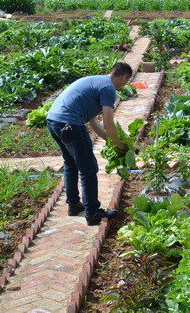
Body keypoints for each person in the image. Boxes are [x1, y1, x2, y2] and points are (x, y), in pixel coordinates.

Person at [46, 61, 133, 225]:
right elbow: (108, 122)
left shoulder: (96, 81)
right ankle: (92, 212)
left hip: (53, 121)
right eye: (127, 81)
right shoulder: (108, 88)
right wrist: (120, 144)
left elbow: (94, 122)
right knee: (88, 168)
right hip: (70, 123)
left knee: (71, 163)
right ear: (124, 77)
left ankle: (73, 205)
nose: (125, 84)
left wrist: (110, 141)